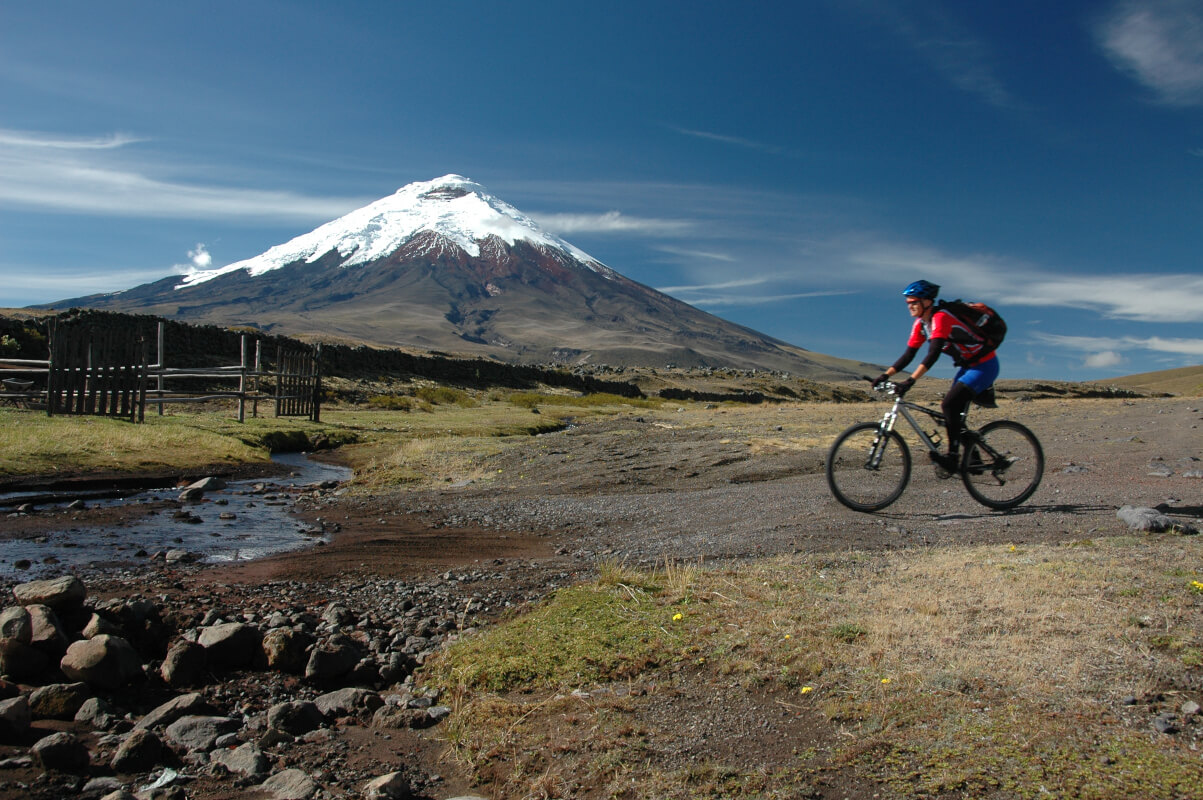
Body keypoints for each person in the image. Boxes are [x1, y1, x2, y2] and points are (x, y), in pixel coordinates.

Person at [872, 280, 1000, 473]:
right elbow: (908, 355)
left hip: (985, 365)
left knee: (949, 405)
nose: (910, 306)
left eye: (914, 302)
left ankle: (953, 458)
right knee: (949, 417)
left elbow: (933, 354)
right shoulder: (921, 325)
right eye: (908, 302)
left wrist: (910, 380)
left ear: (927, 302)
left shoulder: (941, 318)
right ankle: (974, 458)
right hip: (967, 367)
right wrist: (885, 375)